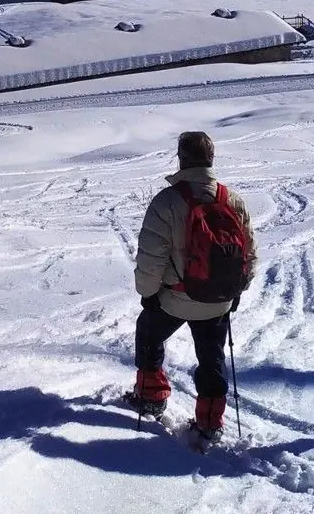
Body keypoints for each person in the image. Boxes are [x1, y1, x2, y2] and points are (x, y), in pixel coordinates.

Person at [127, 130, 257, 442]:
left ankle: (152, 396)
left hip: (174, 298)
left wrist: (148, 294)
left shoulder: (166, 202)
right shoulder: (232, 200)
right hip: (219, 300)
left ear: (182, 159)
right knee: (211, 359)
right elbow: (249, 253)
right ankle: (210, 422)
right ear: (211, 159)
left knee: (148, 332)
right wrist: (236, 291)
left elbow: (150, 259)